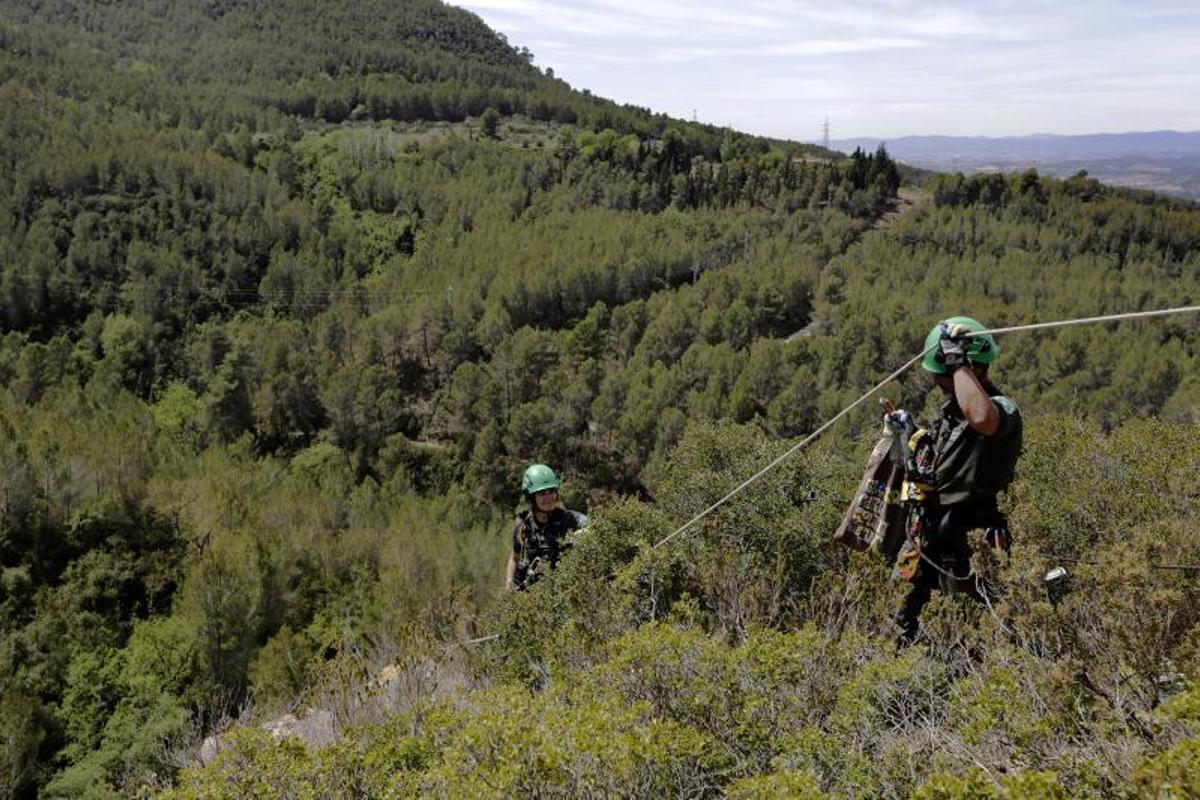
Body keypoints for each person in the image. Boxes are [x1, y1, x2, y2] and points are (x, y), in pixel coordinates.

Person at [893, 316, 1023, 645]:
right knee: (899, 625)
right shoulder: (952, 414)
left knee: (981, 633)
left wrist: (957, 364)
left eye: (945, 377)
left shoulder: (1002, 410)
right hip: (936, 536)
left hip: (975, 542)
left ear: (972, 371)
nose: (939, 381)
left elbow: (981, 418)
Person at [506, 463, 588, 591]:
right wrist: (509, 582)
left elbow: (597, 525)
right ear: (531, 497)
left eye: (551, 491)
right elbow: (514, 557)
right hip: (531, 594)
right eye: (542, 493)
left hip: (562, 591)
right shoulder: (522, 523)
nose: (548, 497)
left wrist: (583, 533)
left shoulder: (568, 518)